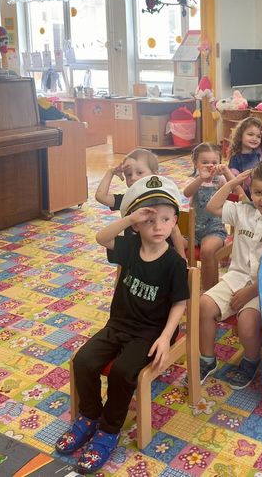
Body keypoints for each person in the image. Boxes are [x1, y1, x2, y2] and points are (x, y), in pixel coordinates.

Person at [55, 176, 189, 474]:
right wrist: (129, 218)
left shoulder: (174, 263)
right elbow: (101, 237)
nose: (158, 226)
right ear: (137, 225)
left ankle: (109, 430)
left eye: (165, 219)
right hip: (118, 325)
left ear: (174, 222)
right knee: (83, 361)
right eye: (149, 220)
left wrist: (166, 337)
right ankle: (90, 416)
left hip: (150, 333)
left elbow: (179, 303)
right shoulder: (129, 246)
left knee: (123, 372)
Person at [199, 160, 262, 389]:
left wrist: (251, 292)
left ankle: (250, 360)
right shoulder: (243, 211)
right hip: (236, 277)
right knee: (204, 304)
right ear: (251, 191)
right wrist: (232, 183)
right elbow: (212, 207)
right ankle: (207, 360)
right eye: (258, 192)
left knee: (247, 322)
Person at [95, 148, 186, 260]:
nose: (133, 177)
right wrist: (111, 172)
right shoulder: (128, 200)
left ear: (155, 174)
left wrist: (182, 258)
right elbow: (101, 196)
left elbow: (174, 231)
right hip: (134, 253)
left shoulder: (162, 202)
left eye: (139, 172)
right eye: (129, 174)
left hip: (162, 253)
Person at [183, 143, 234, 291]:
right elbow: (186, 193)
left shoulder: (220, 180)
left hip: (214, 229)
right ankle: (182, 283)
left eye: (214, 162)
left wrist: (226, 171)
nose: (209, 166)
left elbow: (234, 186)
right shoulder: (194, 180)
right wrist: (201, 179)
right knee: (168, 242)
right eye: (204, 162)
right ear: (195, 163)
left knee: (207, 251)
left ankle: (209, 291)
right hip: (192, 230)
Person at [228, 116, 262, 197]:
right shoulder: (236, 158)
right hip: (247, 196)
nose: (255, 139)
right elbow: (234, 182)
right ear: (240, 136)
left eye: (258, 136)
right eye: (250, 134)